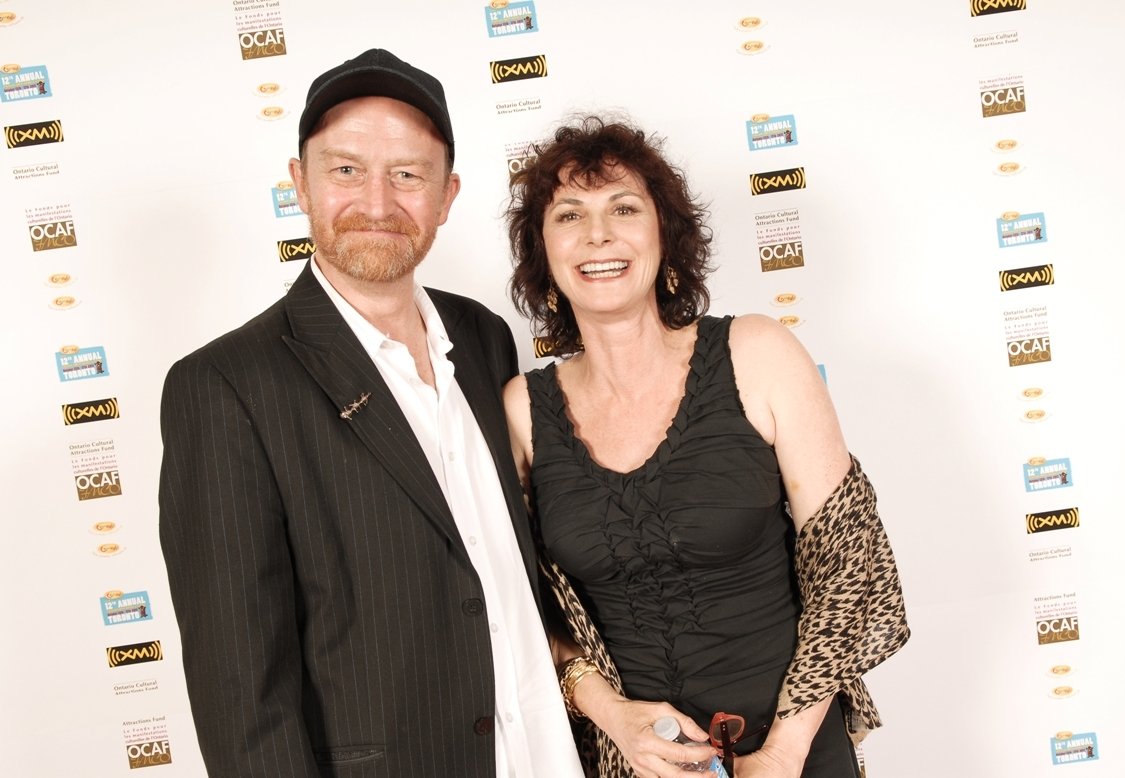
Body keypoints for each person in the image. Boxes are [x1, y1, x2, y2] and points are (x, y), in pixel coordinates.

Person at [158, 49, 584, 778]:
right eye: (347, 169)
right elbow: (242, 697)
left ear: (447, 196)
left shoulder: (484, 339)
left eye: (408, 175)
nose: (379, 204)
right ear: (300, 184)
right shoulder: (224, 386)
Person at [502, 116, 910, 778]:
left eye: (624, 208)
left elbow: (850, 567)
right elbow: (515, 609)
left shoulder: (757, 354)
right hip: (639, 764)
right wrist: (615, 718)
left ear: (666, 238)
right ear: (543, 255)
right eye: (569, 215)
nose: (598, 232)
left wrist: (781, 754)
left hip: (796, 750)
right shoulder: (521, 411)